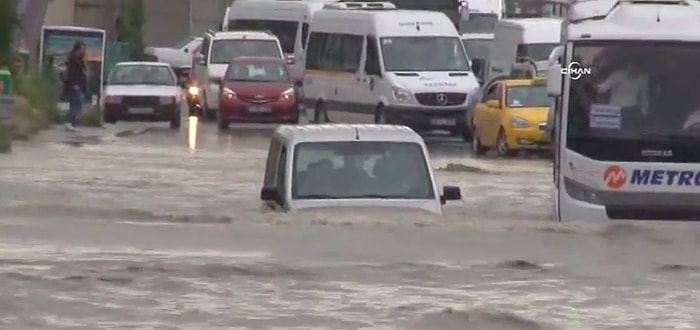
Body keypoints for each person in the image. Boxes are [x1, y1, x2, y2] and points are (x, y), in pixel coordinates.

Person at [596, 61, 649, 131]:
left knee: (629, 133)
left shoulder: (642, 78)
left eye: (637, 67)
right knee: (613, 134)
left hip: (631, 110)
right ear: (628, 66)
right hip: (616, 110)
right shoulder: (617, 75)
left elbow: (644, 95)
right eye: (632, 66)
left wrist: (644, 111)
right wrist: (593, 87)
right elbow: (603, 88)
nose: (634, 69)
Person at [63, 41, 87, 132]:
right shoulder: (73, 59)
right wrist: (74, 84)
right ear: (78, 49)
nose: (84, 51)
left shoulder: (80, 59)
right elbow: (72, 73)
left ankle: (71, 123)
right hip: (74, 86)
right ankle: (69, 123)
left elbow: (83, 71)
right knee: (76, 104)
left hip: (79, 85)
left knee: (77, 104)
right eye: (82, 49)